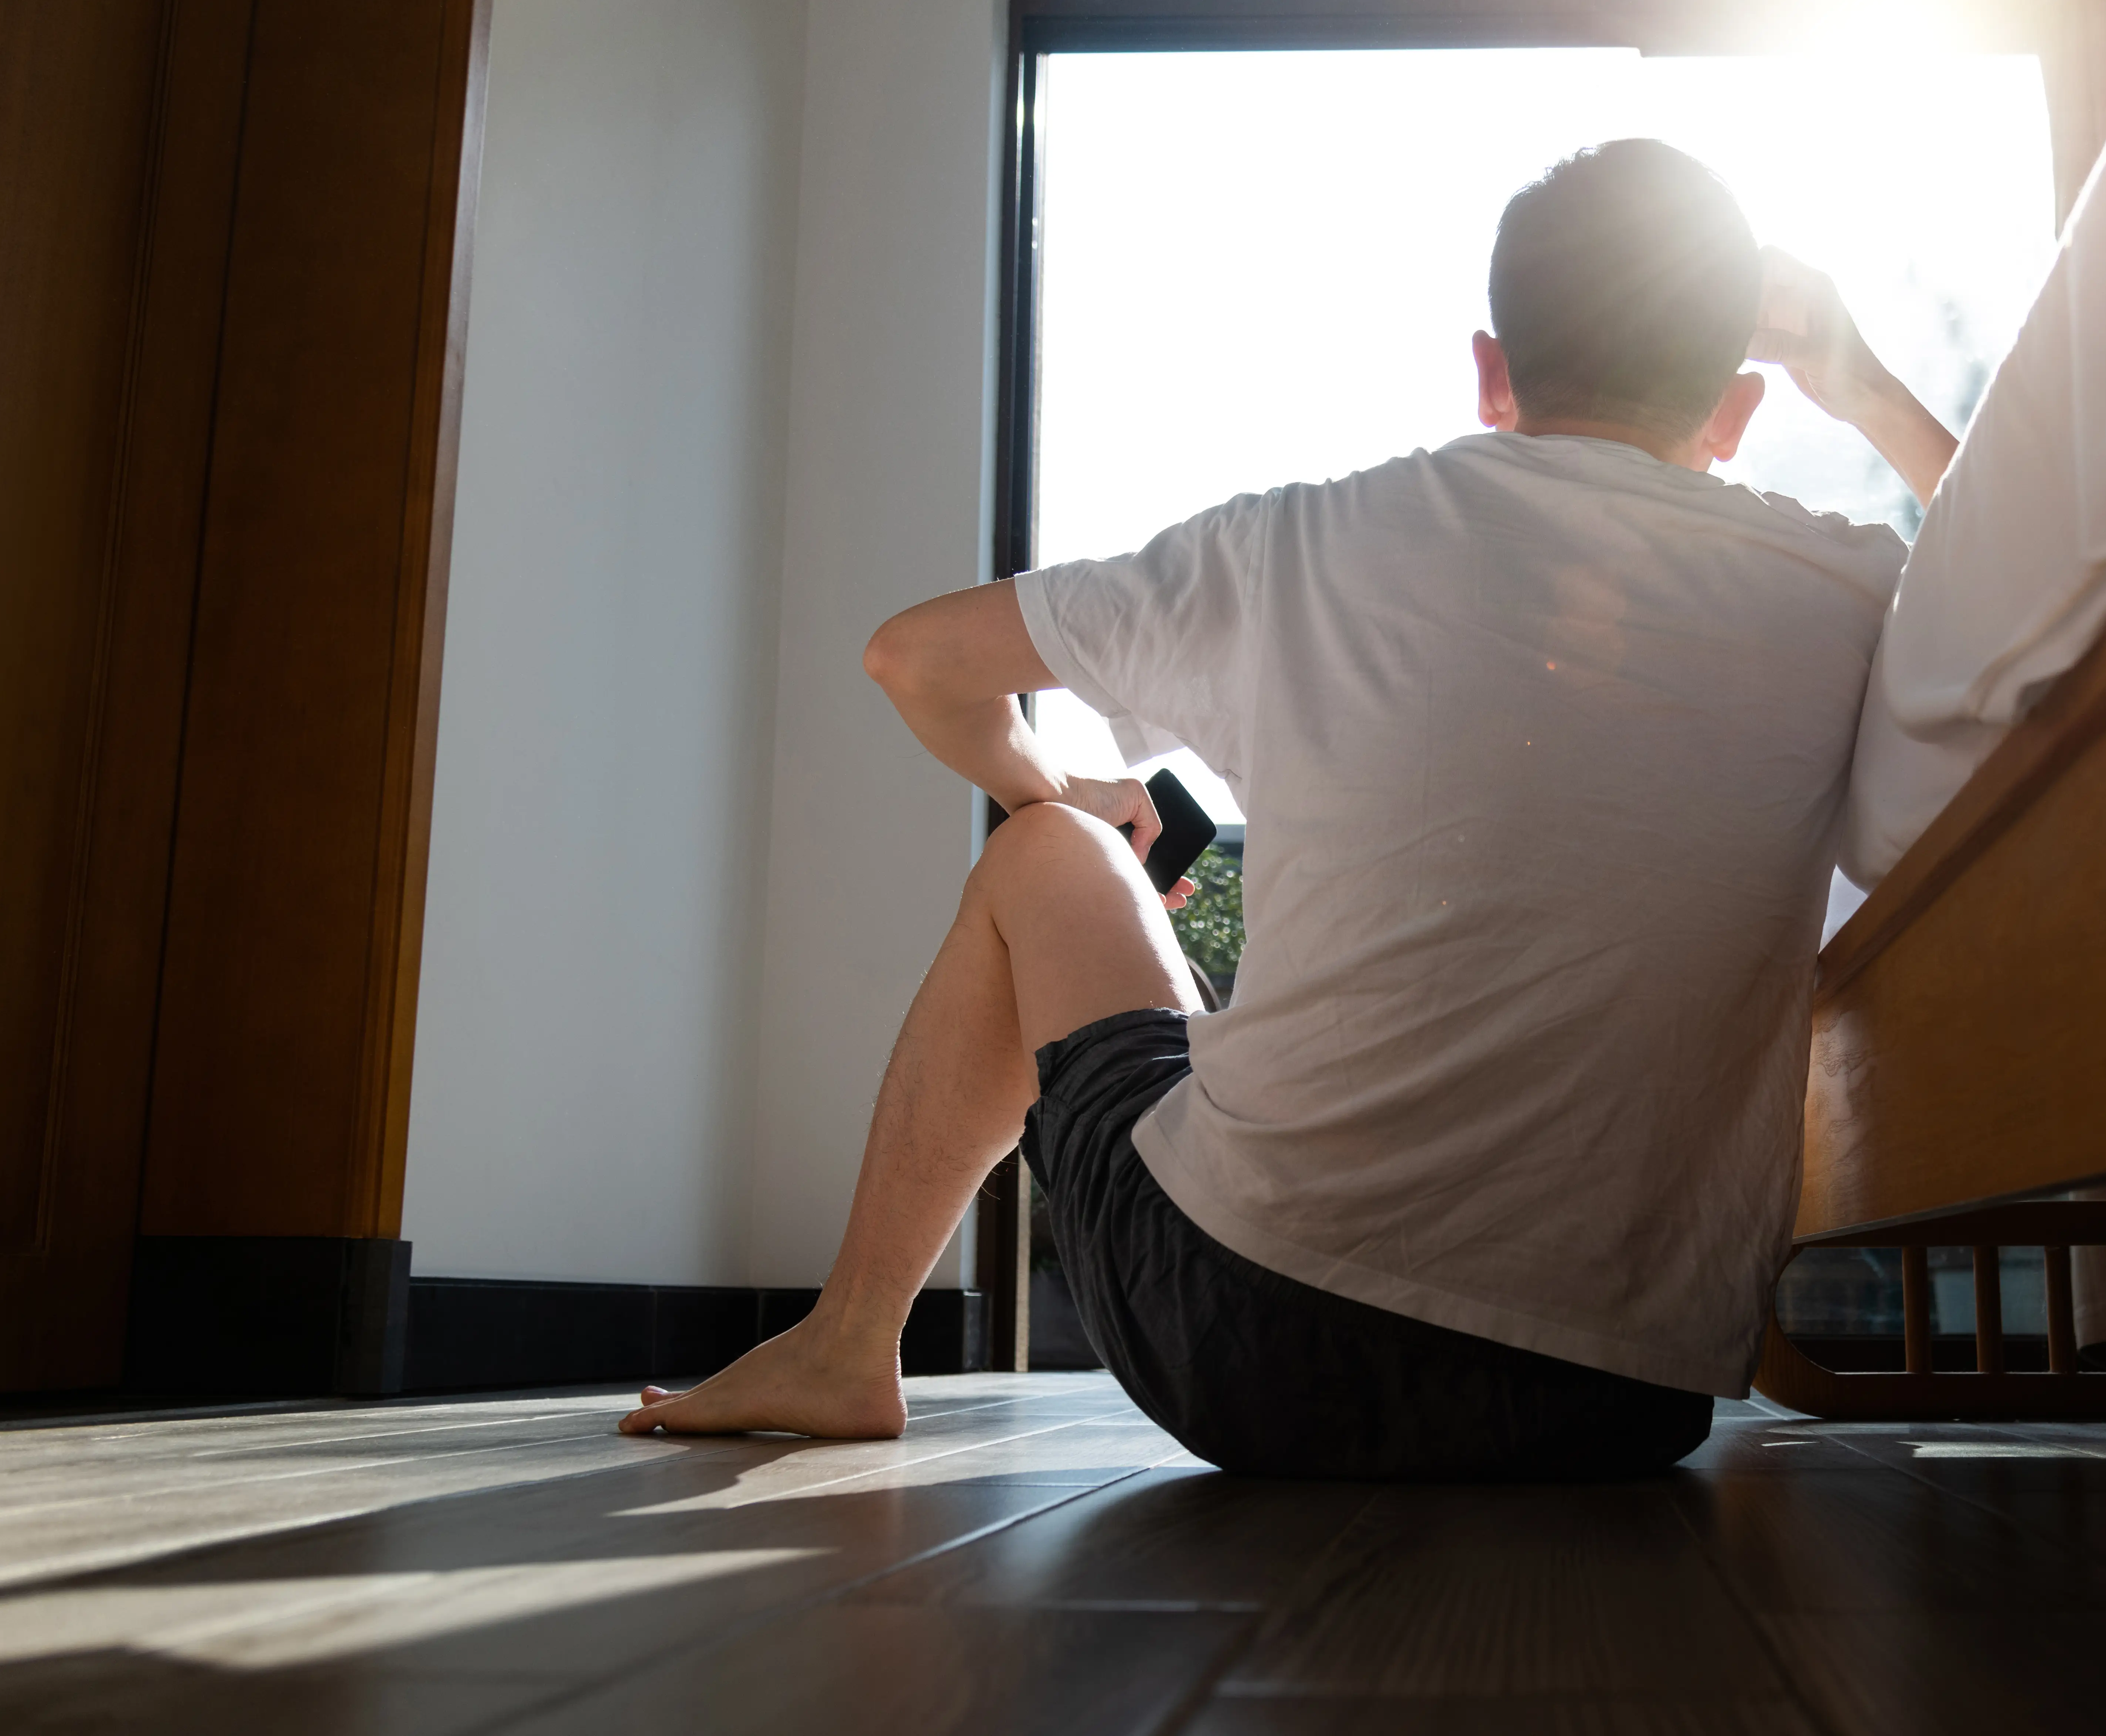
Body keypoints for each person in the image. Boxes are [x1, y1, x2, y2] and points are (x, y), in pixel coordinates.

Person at [617, 139, 1953, 1477]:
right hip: (1619, 1399)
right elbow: (2034, 607)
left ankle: (849, 1344)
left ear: (1491, 372)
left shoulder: (1298, 541)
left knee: (1050, 854)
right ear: (1733, 409)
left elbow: (911, 659)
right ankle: (848, 1346)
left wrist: (1065, 795)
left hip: (1257, 1339)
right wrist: (1865, 383)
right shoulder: (1845, 587)